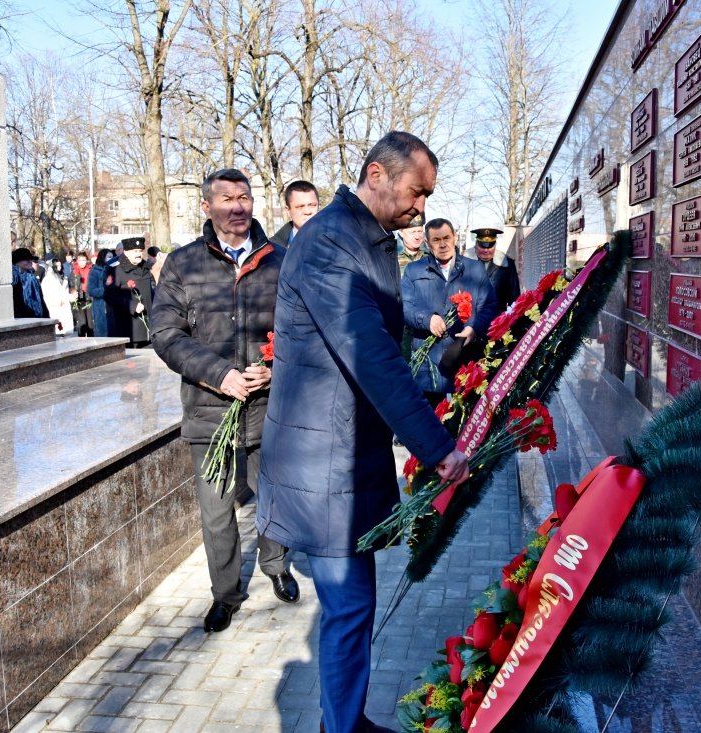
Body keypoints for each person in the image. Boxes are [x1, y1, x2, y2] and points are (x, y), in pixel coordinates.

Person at [255, 131, 469, 733]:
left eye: (427, 196)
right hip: (320, 462)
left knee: (356, 607)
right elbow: (370, 354)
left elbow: (382, 335)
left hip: (343, 456)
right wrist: (438, 448)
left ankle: (345, 721)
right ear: (377, 173)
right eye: (416, 190)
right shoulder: (330, 241)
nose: (422, 206)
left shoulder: (364, 239)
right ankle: (340, 728)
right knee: (349, 609)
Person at [151, 168, 299, 634]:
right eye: (227, 199)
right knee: (217, 515)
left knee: (274, 501)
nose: (238, 207)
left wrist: (276, 368)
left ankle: (276, 566)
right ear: (207, 207)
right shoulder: (183, 264)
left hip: (269, 408)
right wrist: (220, 376)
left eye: (245, 198)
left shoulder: (281, 260)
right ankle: (226, 593)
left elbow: (305, 328)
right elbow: (165, 334)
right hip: (209, 414)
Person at [403, 218, 497, 405]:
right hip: (429, 365)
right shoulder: (413, 271)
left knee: (465, 426)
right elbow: (404, 308)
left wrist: (474, 329)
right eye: (436, 240)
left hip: (466, 360)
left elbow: (490, 307)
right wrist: (426, 319)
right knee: (430, 426)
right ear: (427, 243)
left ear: (455, 237)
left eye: (447, 237)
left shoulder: (475, 269)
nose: (443, 244)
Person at [104, 237, 154, 347]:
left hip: (151, 331)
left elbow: (153, 293)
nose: (138, 254)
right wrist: (132, 306)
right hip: (130, 331)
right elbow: (109, 296)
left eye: (140, 251)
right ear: (126, 252)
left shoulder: (146, 269)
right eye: (135, 251)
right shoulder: (117, 270)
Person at [463, 226, 520, 313]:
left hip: (497, 322)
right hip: (471, 322)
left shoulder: (507, 264)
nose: (486, 250)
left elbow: (515, 300)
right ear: (476, 244)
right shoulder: (463, 263)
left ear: (495, 245)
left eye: (490, 246)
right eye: (482, 246)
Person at [396, 212, 426, 363]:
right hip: (400, 328)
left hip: (426, 327)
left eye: (420, 231)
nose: (417, 236)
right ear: (401, 232)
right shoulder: (391, 256)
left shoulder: (431, 257)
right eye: (412, 231)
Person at [268, 180, 319, 249]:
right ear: (288, 210)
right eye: (300, 207)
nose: (307, 212)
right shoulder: (271, 250)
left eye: (312, 205)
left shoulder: (335, 242)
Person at [11, 247, 50, 319]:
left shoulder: (32, 278)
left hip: (38, 318)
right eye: (26, 259)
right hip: (22, 319)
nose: (30, 261)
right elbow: (16, 302)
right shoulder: (14, 278)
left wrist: (46, 315)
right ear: (17, 261)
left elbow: (41, 299)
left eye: (31, 259)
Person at [42, 258, 74, 336]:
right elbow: (46, 296)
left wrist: (71, 297)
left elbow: (65, 292)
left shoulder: (62, 277)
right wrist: (58, 302)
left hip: (65, 308)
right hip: (55, 309)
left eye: (60, 265)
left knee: (66, 332)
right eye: (57, 266)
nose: (59, 267)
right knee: (59, 331)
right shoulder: (47, 280)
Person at [88, 249, 112, 337]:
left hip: (112, 306)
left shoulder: (113, 270)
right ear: (103, 258)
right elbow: (90, 290)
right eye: (109, 257)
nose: (111, 259)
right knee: (102, 333)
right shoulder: (94, 271)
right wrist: (105, 291)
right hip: (100, 307)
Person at [71, 252, 95, 337]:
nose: (81, 262)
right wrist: (73, 291)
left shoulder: (91, 270)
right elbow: (71, 285)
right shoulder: (74, 272)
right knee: (82, 323)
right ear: (77, 261)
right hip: (79, 299)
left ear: (87, 260)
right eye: (80, 260)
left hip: (89, 298)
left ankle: (91, 340)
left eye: (83, 260)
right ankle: (81, 340)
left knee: (90, 323)